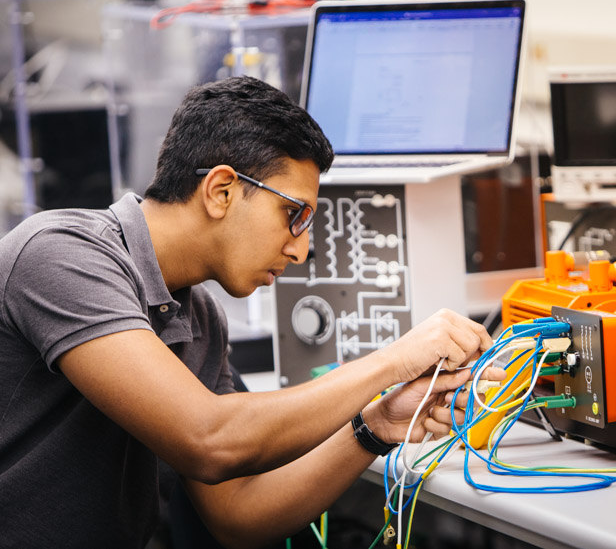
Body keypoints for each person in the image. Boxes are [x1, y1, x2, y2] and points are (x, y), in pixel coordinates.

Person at [0, 76, 501, 548]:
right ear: (221, 191)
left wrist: (376, 426)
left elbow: (237, 515)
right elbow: (210, 438)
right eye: (295, 214)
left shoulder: (198, 319)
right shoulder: (60, 253)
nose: (301, 251)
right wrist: (393, 361)